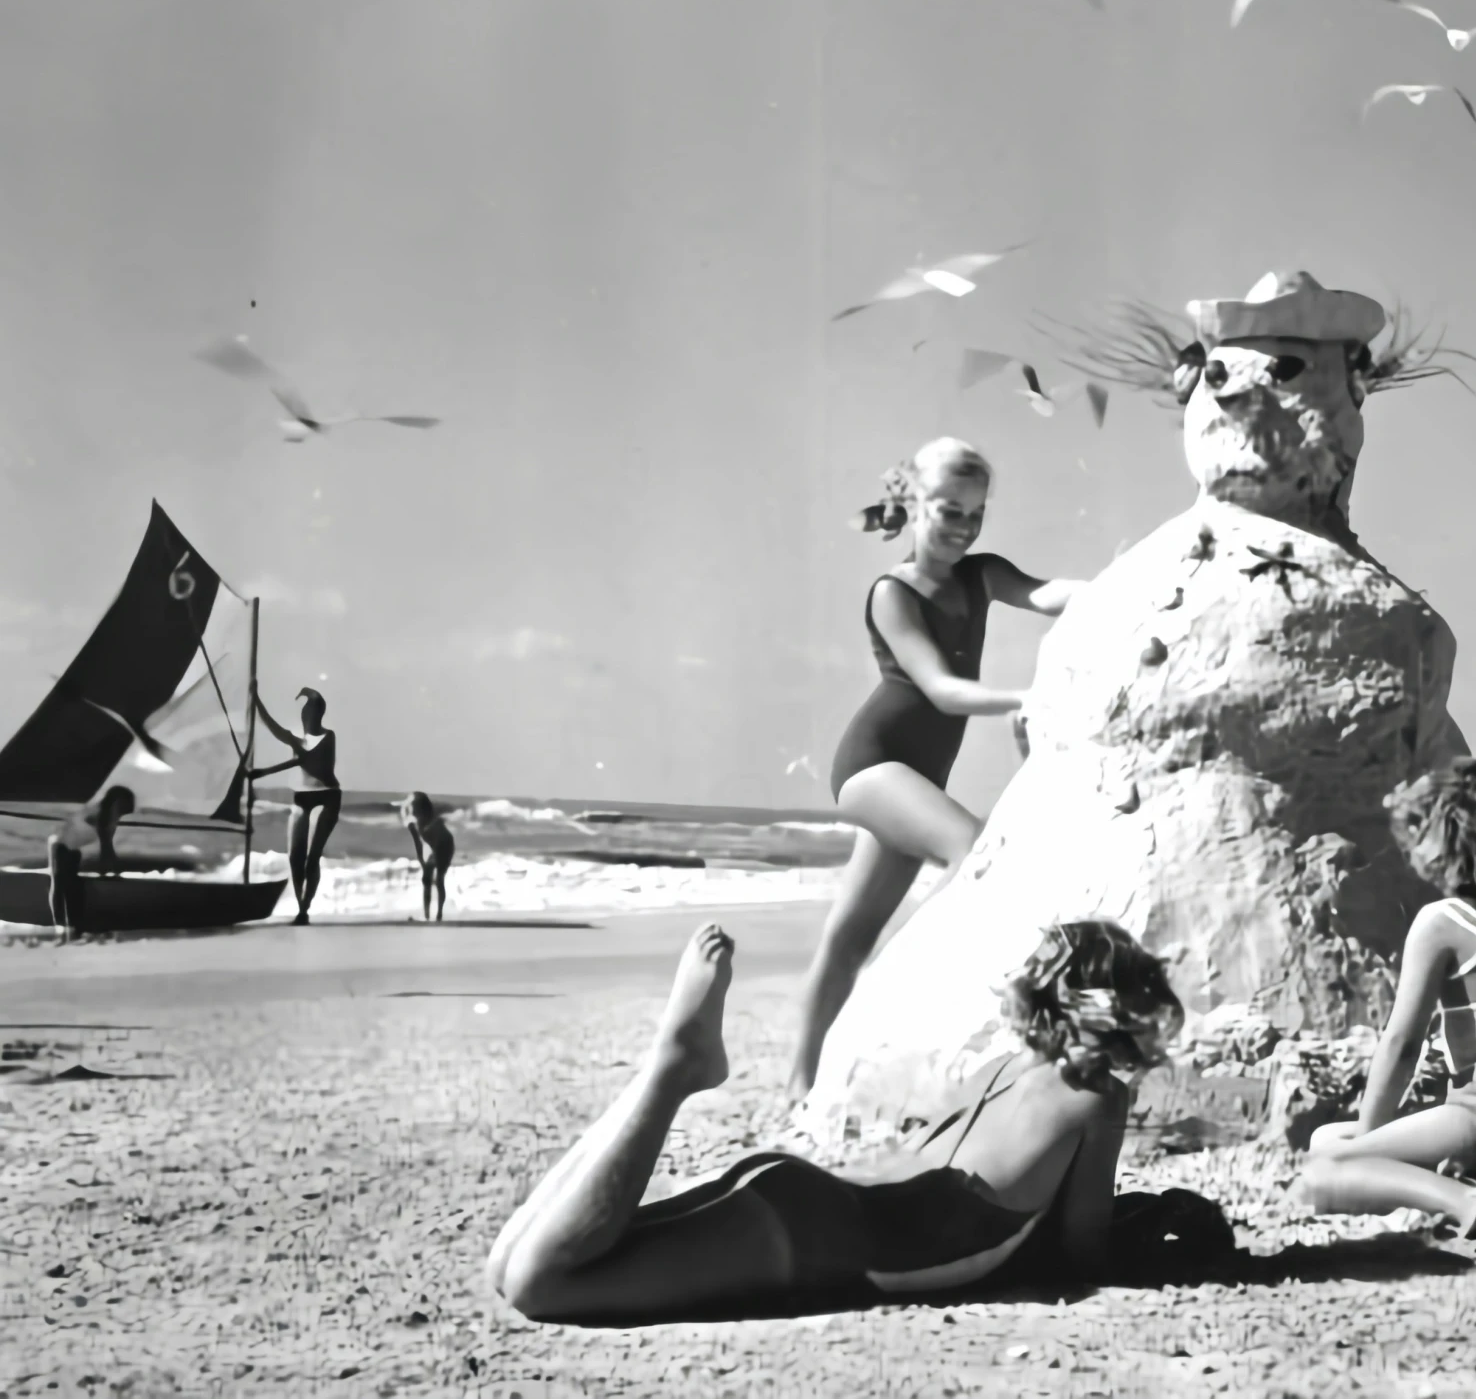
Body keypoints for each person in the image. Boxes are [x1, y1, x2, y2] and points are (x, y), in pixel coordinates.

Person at [487, 918, 1181, 1327]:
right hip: (820, 1235)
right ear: (1116, 1014)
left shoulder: (999, 1071)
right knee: (544, 1282)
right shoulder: (1098, 1100)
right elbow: (1084, 1255)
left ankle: (657, 1076)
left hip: (806, 1190)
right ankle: (671, 1073)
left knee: (511, 1264)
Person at [786, 438, 1085, 1098]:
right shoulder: (892, 592)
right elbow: (942, 689)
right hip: (872, 764)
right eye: (950, 511)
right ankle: (908, 994)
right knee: (974, 852)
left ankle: (799, 1085)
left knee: (848, 935)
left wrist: (1124, 585)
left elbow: (1046, 594)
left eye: (976, 515)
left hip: (916, 775)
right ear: (913, 504)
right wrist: (1031, 698)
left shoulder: (981, 574)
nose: (963, 528)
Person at [1298, 759, 1476, 1236]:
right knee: (1326, 1139)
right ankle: (1466, 1182)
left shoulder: (1444, 921)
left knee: (1325, 1170)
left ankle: (1467, 1201)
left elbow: (1401, 1043)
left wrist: (1369, 1140)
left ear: (1444, 840)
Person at [250, 686, 342, 926]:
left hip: (326, 797)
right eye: (303, 714)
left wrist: (310, 693)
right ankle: (302, 906)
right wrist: (256, 698)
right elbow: (271, 726)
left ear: (317, 715)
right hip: (300, 798)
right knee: (294, 857)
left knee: (312, 858)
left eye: (309, 714)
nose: (305, 718)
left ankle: (304, 909)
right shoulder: (296, 739)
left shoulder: (327, 737)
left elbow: (303, 759)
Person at [400, 791, 455, 923]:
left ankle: (439, 915)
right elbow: (418, 844)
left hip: (446, 845)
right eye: (410, 806)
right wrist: (422, 862)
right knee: (426, 879)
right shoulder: (413, 824)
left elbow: (439, 839)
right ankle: (426, 915)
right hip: (434, 847)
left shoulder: (432, 821)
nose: (411, 808)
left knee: (439, 878)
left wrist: (433, 860)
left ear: (421, 807)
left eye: (414, 805)